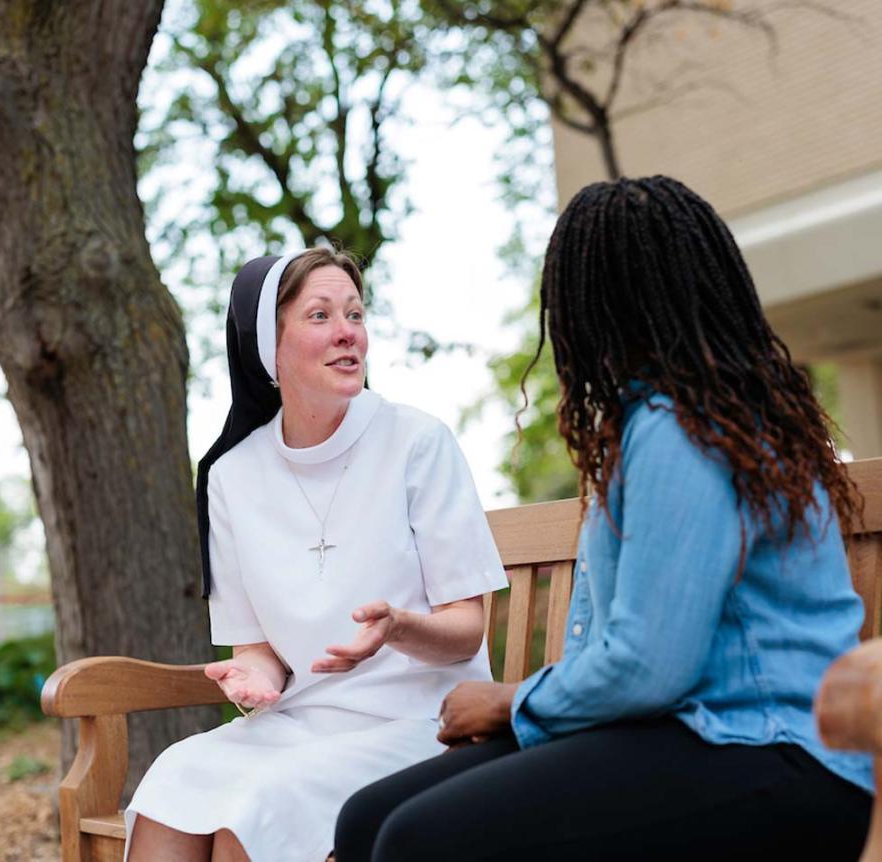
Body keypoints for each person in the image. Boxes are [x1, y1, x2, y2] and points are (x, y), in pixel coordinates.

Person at [334, 176, 875, 861]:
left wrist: (514, 705)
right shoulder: (675, 422)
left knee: (419, 841)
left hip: (774, 753)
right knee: (367, 818)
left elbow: (653, 665)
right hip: (685, 734)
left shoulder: (682, 429)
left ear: (601, 304)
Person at [124, 248, 508, 862]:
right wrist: (254, 681)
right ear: (267, 348)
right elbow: (257, 650)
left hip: (424, 724)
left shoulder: (418, 441)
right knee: (173, 780)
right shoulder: (230, 475)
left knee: (253, 812)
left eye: (355, 314)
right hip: (301, 724)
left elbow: (466, 632)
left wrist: (398, 629)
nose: (346, 332)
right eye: (320, 315)